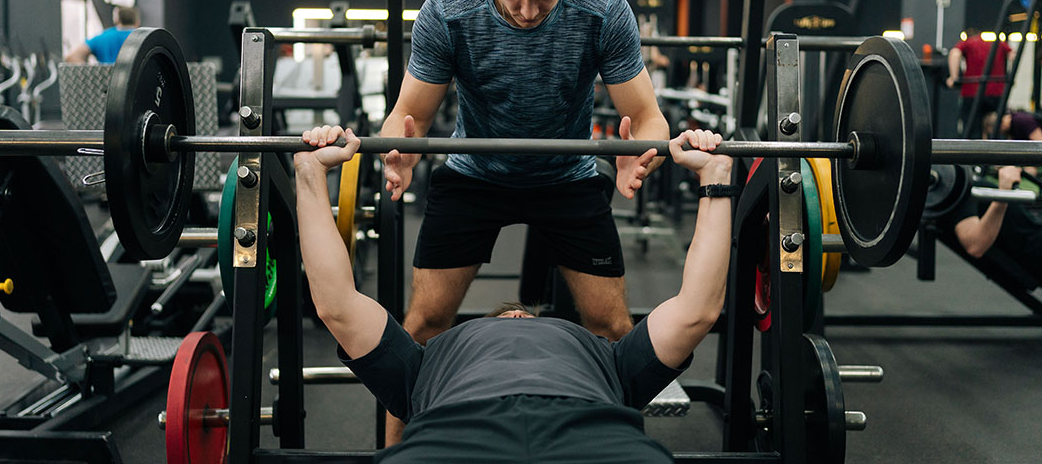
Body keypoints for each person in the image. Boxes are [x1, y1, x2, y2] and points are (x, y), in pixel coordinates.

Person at [379, 0, 668, 438]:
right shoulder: (449, 7)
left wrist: (641, 156)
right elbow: (409, 114)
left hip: (569, 176)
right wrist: (402, 156)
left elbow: (647, 115)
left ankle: (620, 448)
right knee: (421, 326)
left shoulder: (603, 7)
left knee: (614, 328)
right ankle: (395, 456)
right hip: (474, 175)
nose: (527, 11)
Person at [294, 125, 732, 463]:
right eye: (521, 313)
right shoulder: (607, 359)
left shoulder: (427, 362)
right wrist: (309, 172)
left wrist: (717, 175)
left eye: (519, 314)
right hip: (556, 435)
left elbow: (340, 306)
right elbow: (695, 312)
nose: (519, 317)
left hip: (494, 436)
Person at [936, 165, 1042, 304]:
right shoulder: (954, 190)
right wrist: (1003, 191)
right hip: (1041, 247)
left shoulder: (957, 179)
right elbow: (975, 245)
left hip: (1037, 227)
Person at [946, 28, 1012, 136]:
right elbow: (1012, 54)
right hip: (997, 92)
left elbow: (955, 53)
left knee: (972, 130)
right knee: (997, 128)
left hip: (972, 92)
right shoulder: (997, 43)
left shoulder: (968, 42)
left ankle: (973, 152)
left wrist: (954, 77)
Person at [63, 5, 140, 64]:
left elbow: (71, 57)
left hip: (106, 83)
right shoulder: (142, 38)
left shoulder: (103, 37)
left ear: (116, 20)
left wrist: (91, 74)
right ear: (136, 21)